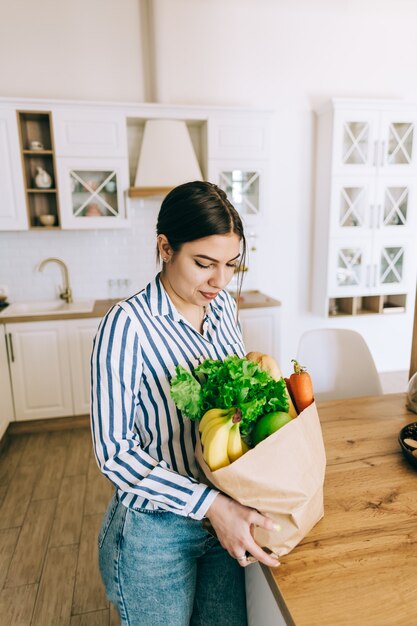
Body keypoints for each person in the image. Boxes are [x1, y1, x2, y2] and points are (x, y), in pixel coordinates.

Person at [90, 181, 280, 626]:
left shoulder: (224, 311)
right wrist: (212, 507)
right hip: (155, 532)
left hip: (226, 514)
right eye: (204, 263)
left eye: (231, 265)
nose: (220, 280)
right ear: (165, 248)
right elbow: (114, 453)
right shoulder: (126, 326)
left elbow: (232, 409)